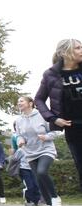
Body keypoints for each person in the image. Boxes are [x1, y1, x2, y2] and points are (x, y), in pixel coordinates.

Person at [35, 39, 82, 192]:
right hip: (73, 128)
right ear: (64, 53)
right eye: (77, 48)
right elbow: (39, 99)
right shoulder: (51, 75)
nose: (81, 50)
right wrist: (53, 119)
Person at [15, 96, 63, 206]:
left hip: (46, 149)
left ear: (30, 103)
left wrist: (46, 137)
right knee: (38, 179)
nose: (19, 103)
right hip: (30, 152)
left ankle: (55, 197)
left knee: (42, 172)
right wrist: (20, 141)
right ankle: (48, 205)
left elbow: (56, 131)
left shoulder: (42, 115)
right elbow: (19, 135)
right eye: (18, 102)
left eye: (21, 101)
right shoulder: (19, 120)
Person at [12, 122, 42, 206]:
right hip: (24, 169)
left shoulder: (34, 148)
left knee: (36, 185)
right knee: (30, 186)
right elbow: (14, 159)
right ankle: (28, 201)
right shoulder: (21, 150)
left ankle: (37, 201)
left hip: (33, 169)